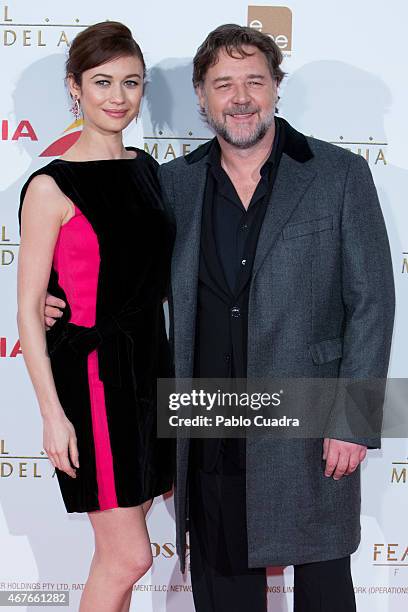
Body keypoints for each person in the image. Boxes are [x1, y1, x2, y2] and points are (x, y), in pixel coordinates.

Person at [43, 23, 395, 612]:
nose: (240, 97)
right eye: (222, 83)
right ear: (201, 97)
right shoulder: (173, 183)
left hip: (309, 422)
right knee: (222, 591)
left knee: (324, 591)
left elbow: (373, 303)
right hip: (208, 423)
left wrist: (355, 420)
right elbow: (125, 272)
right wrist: (61, 302)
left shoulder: (338, 175)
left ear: (276, 88)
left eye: (254, 80)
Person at [17, 21, 175, 612]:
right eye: (102, 81)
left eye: (131, 83)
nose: (118, 96)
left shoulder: (149, 171)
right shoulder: (51, 186)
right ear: (74, 88)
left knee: (117, 557)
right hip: (95, 381)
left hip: (152, 372)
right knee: (129, 556)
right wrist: (52, 417)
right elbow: (31, 311)